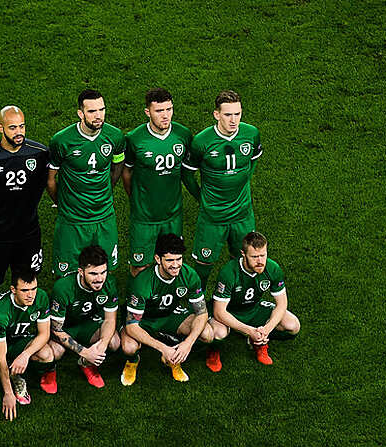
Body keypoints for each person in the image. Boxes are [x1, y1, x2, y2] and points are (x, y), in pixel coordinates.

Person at [0, 106, 48, 320]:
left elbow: (41, 185)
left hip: (28, 235)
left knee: (28, 286)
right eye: (12, 127)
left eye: (22, 126)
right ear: (0, 128)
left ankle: (23, 330)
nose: (18, 132)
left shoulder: (38, 153)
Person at [182, 90, 263, 288]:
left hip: (242, 215)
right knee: (203, 263)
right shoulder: (202, 141)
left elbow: (252, 162)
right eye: (228, 115)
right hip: (213, 217)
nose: (233, 120)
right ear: (216, 115)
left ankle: (238, 299)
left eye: (237, 114)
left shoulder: (251, 134)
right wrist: (202, 197)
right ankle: (196, 305)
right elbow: (187, 174)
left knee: (244, 260)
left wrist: (244, 181)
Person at [48, 89, 126, 278]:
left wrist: (106, 189)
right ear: (80, 113)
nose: (98, 116)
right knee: (67, 274)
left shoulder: (115, 136)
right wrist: (62, 202)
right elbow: (50, 179)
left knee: (105, 272)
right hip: (72, 220)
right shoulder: (61, 141)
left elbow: (118, 166)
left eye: (101, 109)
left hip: (104, 216)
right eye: (92, 111)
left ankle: (101, 306)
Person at [120, 233, 213, 386]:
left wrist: (187, 344)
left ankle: (176, 353)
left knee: (207, 333)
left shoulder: (189, 275)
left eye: (179, 259)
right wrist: (163, 349)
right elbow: (132, 326)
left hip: (170, 315)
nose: (176, 265)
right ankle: (133, 361)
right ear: (158, 259)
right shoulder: (142, 282)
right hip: (144, 320)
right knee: (129, 348)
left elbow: (202, 312)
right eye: (170, 260)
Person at [122, 88, 193, 277]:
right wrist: (136, 197)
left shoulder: (183, 135)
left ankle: (167, 301)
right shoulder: (134, 139)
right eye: (159, 111)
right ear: (148, 112)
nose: (165, 116)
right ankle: (138, 302)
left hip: (172, 216)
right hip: (144, 218)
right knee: (140, 266)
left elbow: (188, 170)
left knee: (172, 263)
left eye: (169, 109)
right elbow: (126, 172)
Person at [0, 268, 55, 421]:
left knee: (46, 354)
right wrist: (8, 393)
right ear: (13, 290)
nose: (31, 295)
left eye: (33, 288)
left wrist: (25, 355)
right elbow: (0, 355)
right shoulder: (0, 312)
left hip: (16, 338)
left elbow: (44, 334)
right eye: (25, 290)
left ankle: (16, 373)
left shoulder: (40, 297)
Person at [208, 232, 300, 369]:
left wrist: (266, 330)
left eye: (263, 255)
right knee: (218, 333)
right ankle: (213, 351)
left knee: (292, 325)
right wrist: (250, 331)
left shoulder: (272, 268)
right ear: (243, 254)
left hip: (253, 309)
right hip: (230, 311)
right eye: (255, 257)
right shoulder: (229, 272)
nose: (260, 261)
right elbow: (219, 312)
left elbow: (282, 303)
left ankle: (259, 342)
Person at [48, 246, 120, 389]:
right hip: (66, 328)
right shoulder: (63, 288)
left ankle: (86, 364)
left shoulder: (109, 283)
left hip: (90, 324)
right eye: (93, 274)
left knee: (114, 342)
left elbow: (110, 319)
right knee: (54, 353)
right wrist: (85, 352)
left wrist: (101, 346)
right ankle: (49, 371)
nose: (100, 279)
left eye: (103, 272)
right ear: (81, 272)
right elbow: (56, 329)